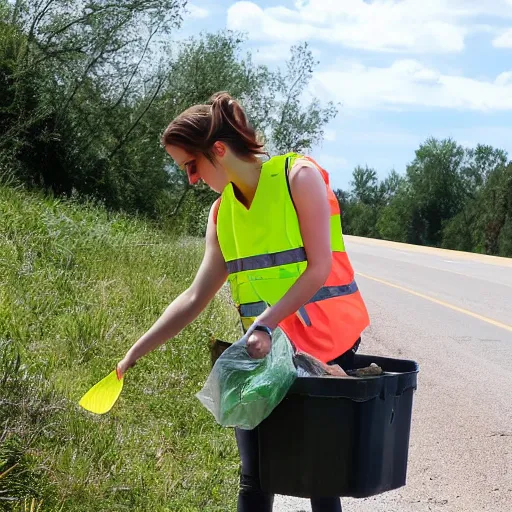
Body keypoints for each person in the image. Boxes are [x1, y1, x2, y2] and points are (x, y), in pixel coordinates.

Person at [117, 91, 370, 512]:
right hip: (267, 356)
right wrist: (135, 351)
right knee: (255, 476)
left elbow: (319, 269)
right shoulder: (222, 214)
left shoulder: (298, 178)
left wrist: (266, 324)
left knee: (320, 478)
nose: (191, 180)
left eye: (191, 166)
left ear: (218, 150)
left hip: (326, 347)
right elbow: (196, 295)